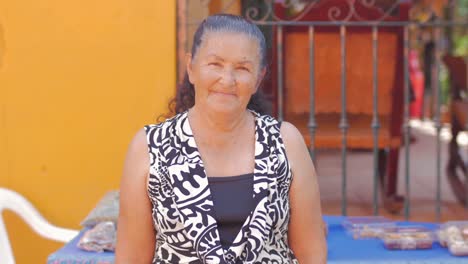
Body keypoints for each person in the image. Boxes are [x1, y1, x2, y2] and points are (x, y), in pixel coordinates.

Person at [115, 14, 327, 264]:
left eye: (243, 68)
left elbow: (311, 253)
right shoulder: (149, 146)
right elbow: (132, 258)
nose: (227, 80)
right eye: (215, 64)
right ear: (191, 68)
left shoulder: (285, 141)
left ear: (258, 79)